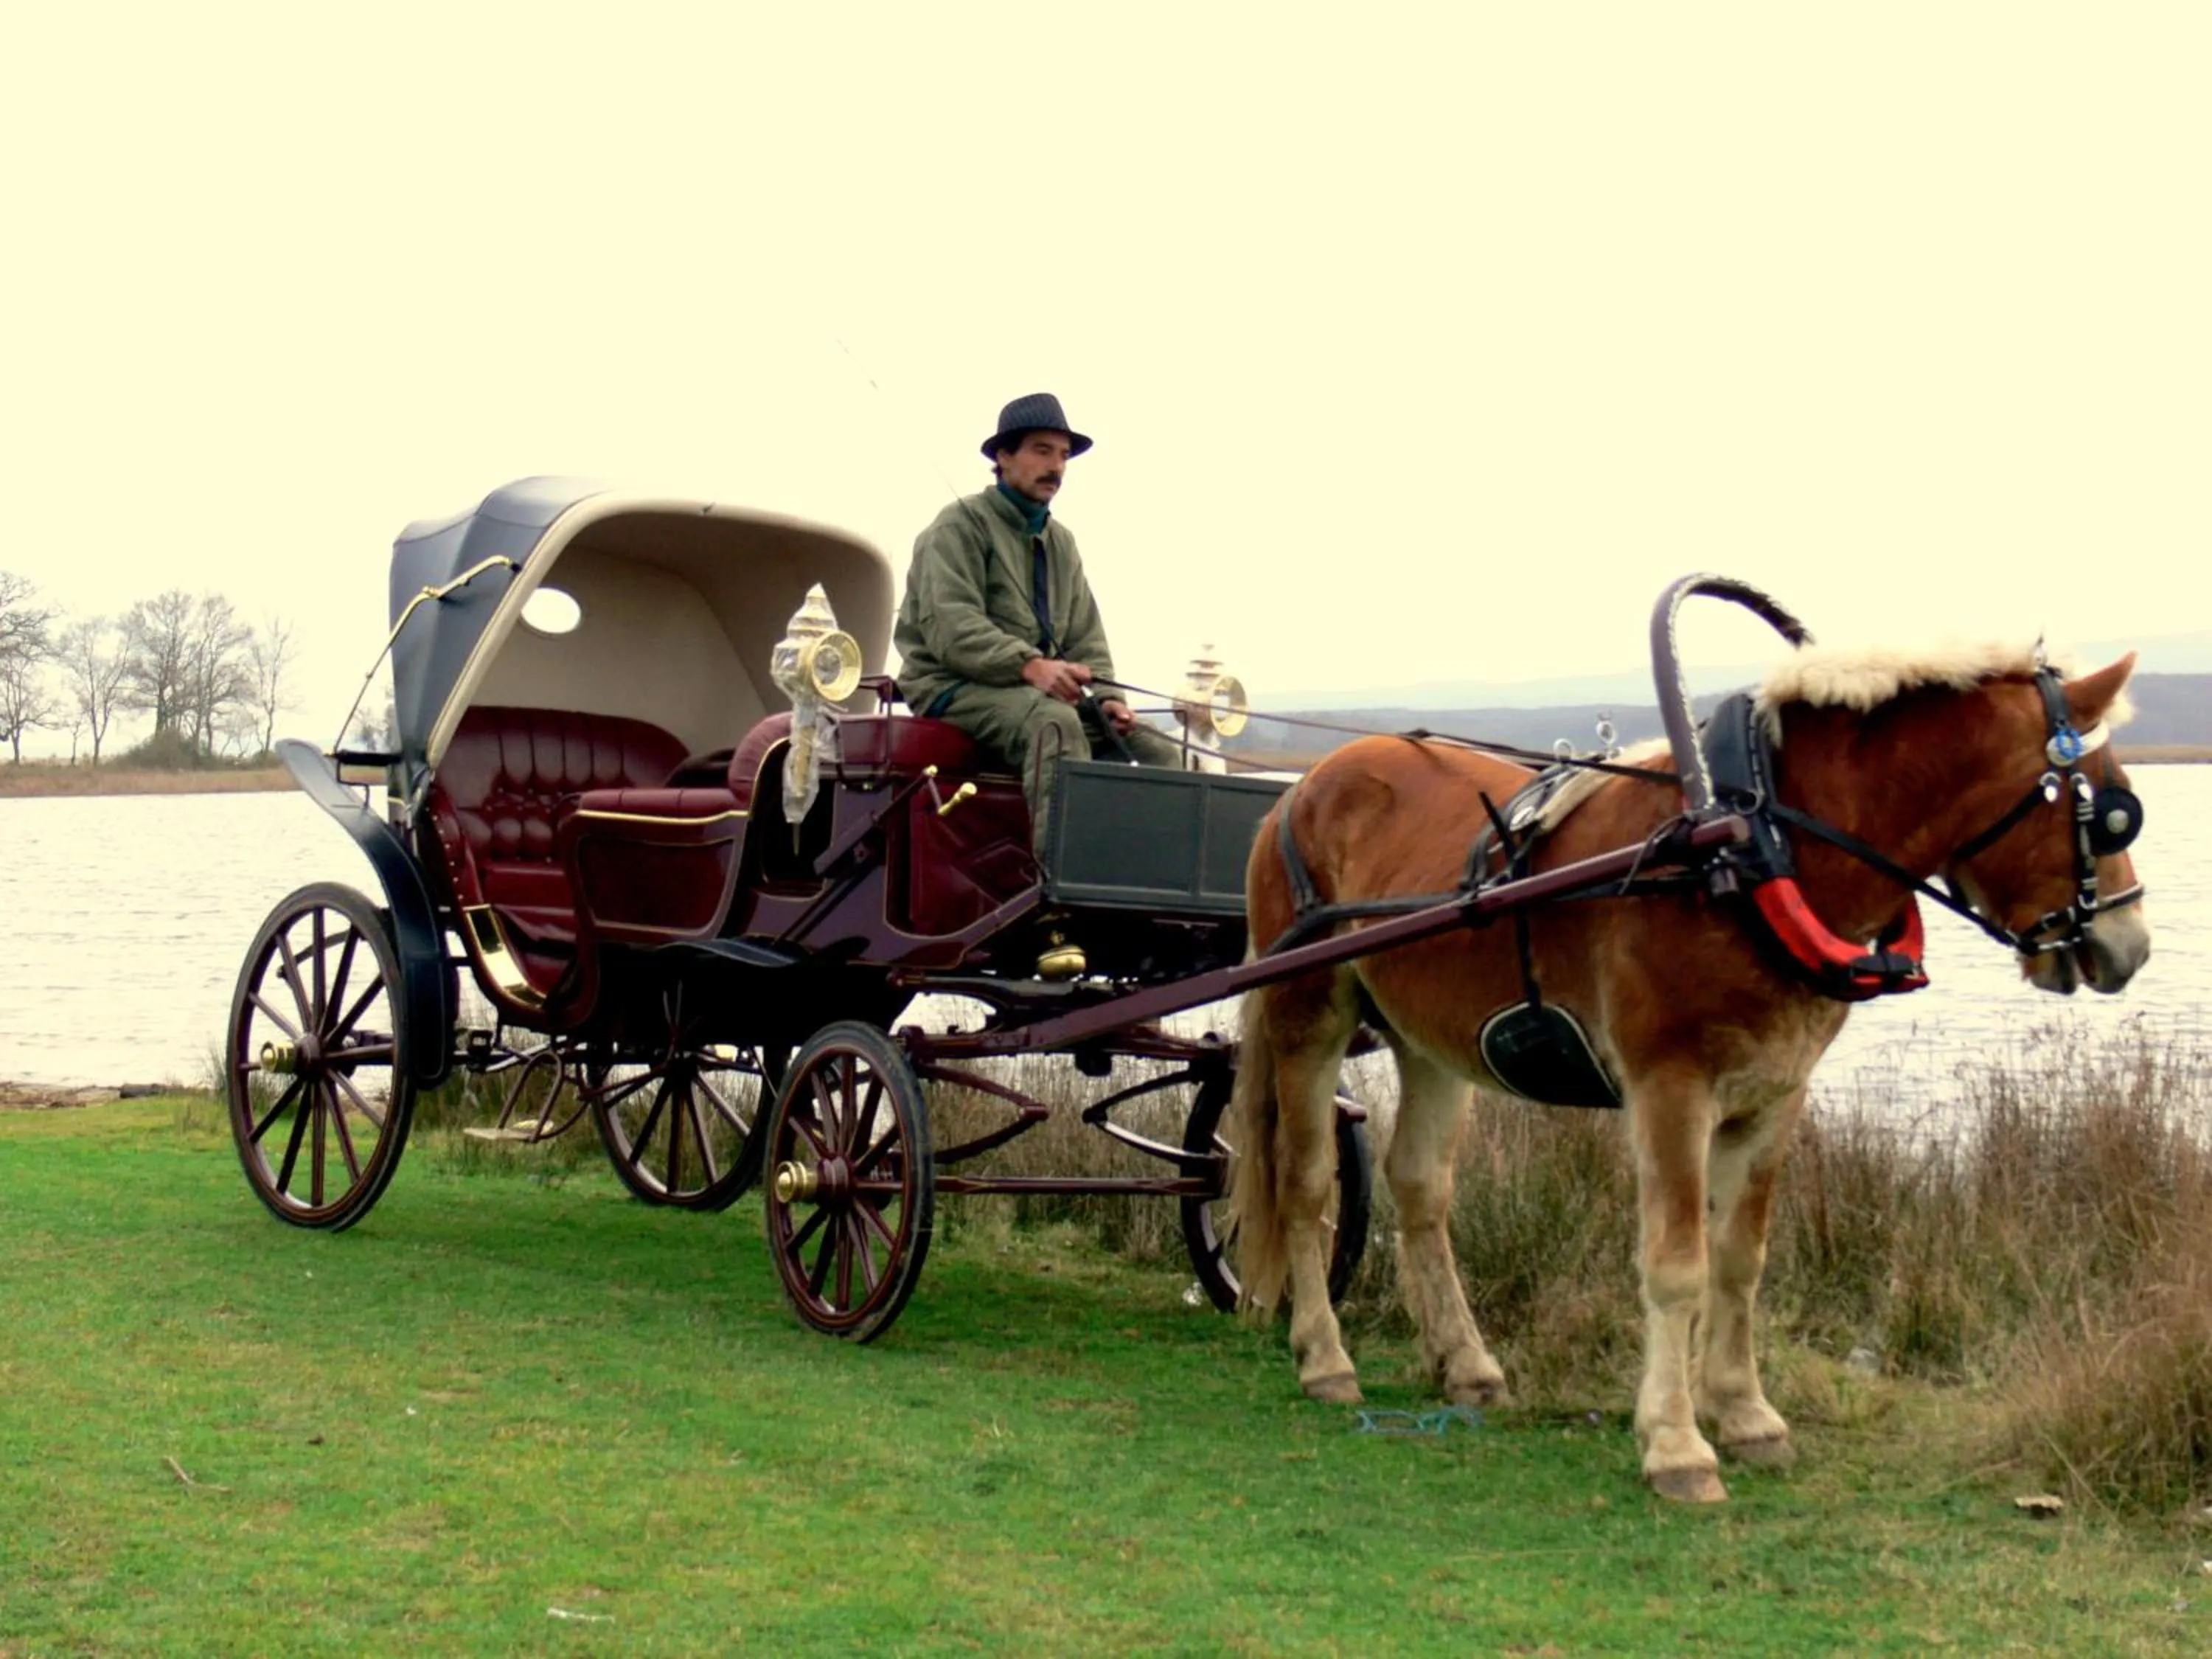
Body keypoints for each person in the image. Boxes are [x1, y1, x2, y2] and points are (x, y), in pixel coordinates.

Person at [894, 392, 1181, 864]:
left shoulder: (1061, 541)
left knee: (1156, 749)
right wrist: (1029, 666)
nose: (1056, 467)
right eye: (1042, 451)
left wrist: (1109, 698)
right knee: (1054, 725)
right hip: (953, 686)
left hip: (1033, 691)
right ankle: (1062, 879)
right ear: (1003, 456)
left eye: (1064, 455)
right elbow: (952, 629)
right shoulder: (958, 527)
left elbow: (1086, 635)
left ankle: (1149, 880)